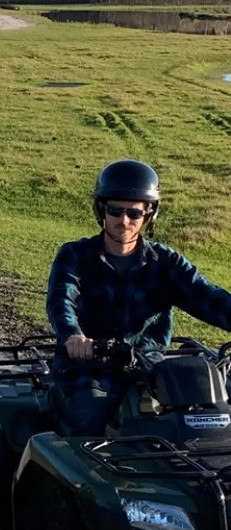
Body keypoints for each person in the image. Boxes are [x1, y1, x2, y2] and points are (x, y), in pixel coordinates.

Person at [47, 159, 231, 434]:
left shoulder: (166, 263)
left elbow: (206, 297)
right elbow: (62, 301)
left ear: (149, 214)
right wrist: (73, 336)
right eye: (115, 210)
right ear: (102, 210)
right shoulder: (75, 256)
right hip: (87, 369)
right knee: (93, 424)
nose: (124, 221)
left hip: (148, 368)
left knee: (209, 417)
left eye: (133, 213)